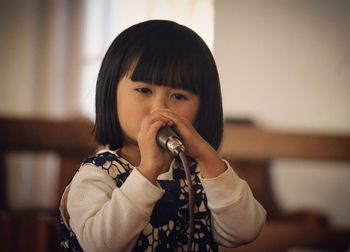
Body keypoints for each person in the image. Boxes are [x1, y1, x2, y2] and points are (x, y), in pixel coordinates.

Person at [58, 20, 266, 252]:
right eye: (144, 90)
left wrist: (207, 156)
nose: (160, 109)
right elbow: (100, 245)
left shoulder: (202, 176)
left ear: (201, 111)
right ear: (111, 96)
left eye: (178, 96)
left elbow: (246, 230)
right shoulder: (97, 175)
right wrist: (148, 171)